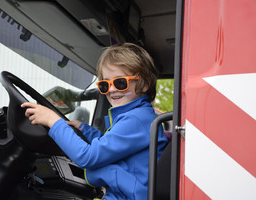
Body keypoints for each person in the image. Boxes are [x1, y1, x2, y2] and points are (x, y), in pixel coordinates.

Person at [21, 43, 169, 200]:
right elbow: (110, 144)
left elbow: (88, 157)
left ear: (144, 84)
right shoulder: (136, 116)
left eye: (120, 82)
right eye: (105, 85)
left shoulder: (136, 119)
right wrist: (85, 130)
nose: (111, 90)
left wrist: (54, 122)